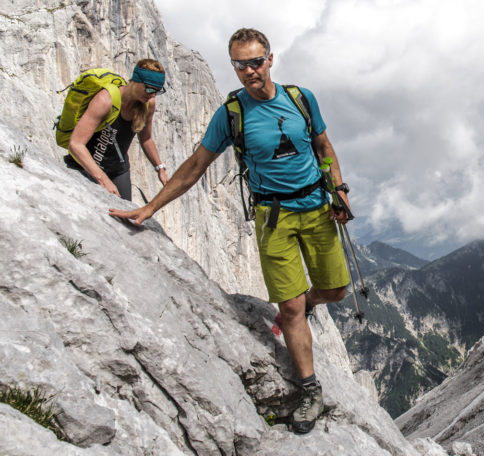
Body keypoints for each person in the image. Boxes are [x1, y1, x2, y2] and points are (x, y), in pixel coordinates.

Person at [109, 28, 351, 435]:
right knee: (289, 309)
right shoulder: (231, 114)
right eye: (241, 65)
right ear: (234, 67)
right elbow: (195, 166)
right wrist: (150, 207)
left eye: (256, 62)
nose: (250, 71)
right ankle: (310, 389)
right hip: (273, 218)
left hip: (316, 209)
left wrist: (339, 189)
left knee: (336, 291)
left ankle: (311, 299)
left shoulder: (300, 99)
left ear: (270, 59)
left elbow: (324, 148)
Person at [65, 59, 169, 199]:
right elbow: (76, 144)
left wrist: (160, 168)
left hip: (118, 171)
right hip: (84, 166)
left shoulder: (148, 104)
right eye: (150, 89)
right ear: (136, 81)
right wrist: (103, 179)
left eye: (157, 91)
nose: (152, 95)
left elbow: (146, 139)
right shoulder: (105, 100)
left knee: (123, 218)